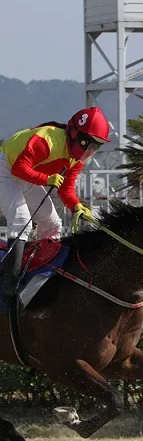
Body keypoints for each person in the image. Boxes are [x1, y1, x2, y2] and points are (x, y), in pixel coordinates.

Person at [0, 106, 111, 299]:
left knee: (53, 223)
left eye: (95, 147)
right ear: (75, 135)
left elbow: (66, 189)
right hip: (6, 167)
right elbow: (18, 169)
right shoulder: (47, 140)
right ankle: (9, 282)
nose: (89, 152)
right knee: (21, 218)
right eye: (88, 144)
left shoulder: (76, 158)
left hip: (28, 173)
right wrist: (46, 179)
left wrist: (77, 207)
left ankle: (41, 272)